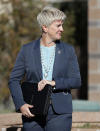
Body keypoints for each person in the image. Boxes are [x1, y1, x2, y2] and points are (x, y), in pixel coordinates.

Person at [9, 6, 81, 131]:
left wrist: (53, 83)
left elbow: (76, 80)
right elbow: (13, 80)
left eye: (62, 25)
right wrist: (21, 104)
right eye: (58, 26)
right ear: (45, 27)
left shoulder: (68, 50)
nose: (62, 29)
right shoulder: (27, 50)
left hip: (59, 114)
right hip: (32, 111)